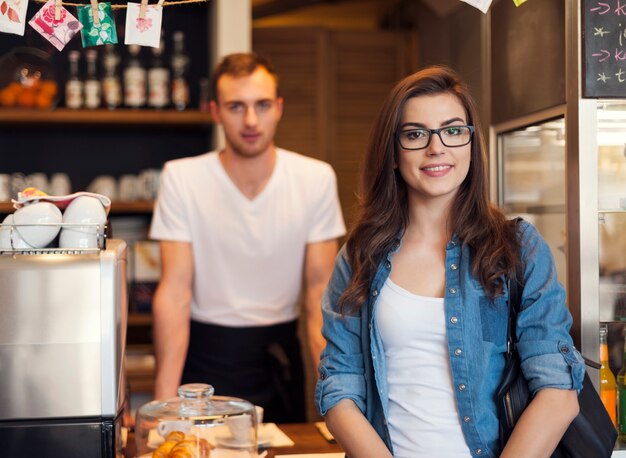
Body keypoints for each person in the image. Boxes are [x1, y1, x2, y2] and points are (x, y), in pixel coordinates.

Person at [315, 65, 585, 457]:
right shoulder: (359, 256)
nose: (436, 147)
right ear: (392, 153)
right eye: (415, 134)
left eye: (453, 130)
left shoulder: (518, 248)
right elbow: (340, 386)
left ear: (471, 145)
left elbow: (558, 393)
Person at [150, 52, 346, 423]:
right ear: (215, 112)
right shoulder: (182, 177)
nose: (251, 120)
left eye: (262, 105)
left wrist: (339, 399)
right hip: (203, 356)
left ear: (279, 108)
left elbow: (320, 292)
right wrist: (163, 405)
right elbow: (175, 291)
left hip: (279, 356)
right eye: (236, 106)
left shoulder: (315, 178)